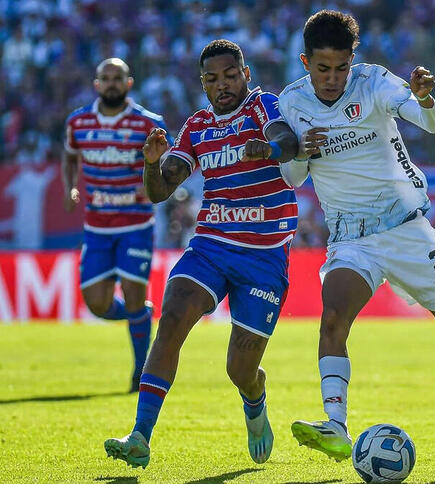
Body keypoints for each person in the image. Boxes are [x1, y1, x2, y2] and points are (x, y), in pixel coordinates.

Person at [277, 10, 435, 461]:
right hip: (351, 236)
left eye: (341, 67)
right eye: (322, 68)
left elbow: (433, 125)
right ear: (304, 61)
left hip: (406, 230)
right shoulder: (290, 102)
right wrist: (299, 154)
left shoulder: (373, 83)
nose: (332, 78)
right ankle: (335, 424)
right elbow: (292, 177)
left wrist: (425, 100)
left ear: (354, 60)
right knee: (332, 321)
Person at [103, 40, 300, 469]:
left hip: (264, 258)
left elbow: (288, 140)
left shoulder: (263, 107)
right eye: (212, 79)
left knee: (240, 370)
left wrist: (270, 149)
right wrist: (152, 165)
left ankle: (254, 398)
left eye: (230, 75)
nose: (223, 85)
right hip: (210, 247)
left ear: (245, 74)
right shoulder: (197, 127)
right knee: (171, 319)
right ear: (203, 84)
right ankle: (140, 435)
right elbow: (159, 191)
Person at [62, 58, 169, 393]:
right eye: (105, 78)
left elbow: (167, 161)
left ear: (129, 83)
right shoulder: (78, 122)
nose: (110, 83)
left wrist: (149, 180)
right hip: (96, 226)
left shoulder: (148, 123)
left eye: (117, 78)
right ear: (96, 84)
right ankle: (140, 318)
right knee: (97, 303)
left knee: (135, 296)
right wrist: (71, 186)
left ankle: (141, 372)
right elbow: (69, 156)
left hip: (136, 224)